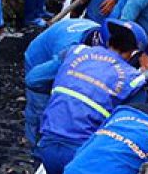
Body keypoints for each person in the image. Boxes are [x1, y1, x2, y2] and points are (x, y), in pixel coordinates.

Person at [29, 19, 148, 174]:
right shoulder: (133, 80)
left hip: (49, 144)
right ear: (134, 53)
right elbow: (133, 125)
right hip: (83, 155)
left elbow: (34, 79)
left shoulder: (76, 52)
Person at [22, 17, 102, 150]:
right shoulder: (68, 53)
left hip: (56, 43)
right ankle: (36, 150)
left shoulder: (100, 32)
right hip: (39, 65)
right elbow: (33, 80)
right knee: (41, 114)